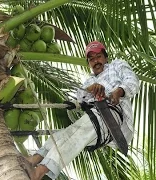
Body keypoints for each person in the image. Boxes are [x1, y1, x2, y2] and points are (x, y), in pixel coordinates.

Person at [26, 41, 140, 180]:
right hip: (94, 116)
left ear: (106, 57)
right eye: (91, 59)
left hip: (112, 115)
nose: (96, 61)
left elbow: (132, 81)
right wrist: (91, 89)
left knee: (77, 134)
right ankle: (33, 159)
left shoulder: (117, 65)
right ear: (88, 63)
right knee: (63, 135)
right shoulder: (89, 81)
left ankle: (40, 172)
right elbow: (81, 98)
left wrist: (118, 92)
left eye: (98, 56)